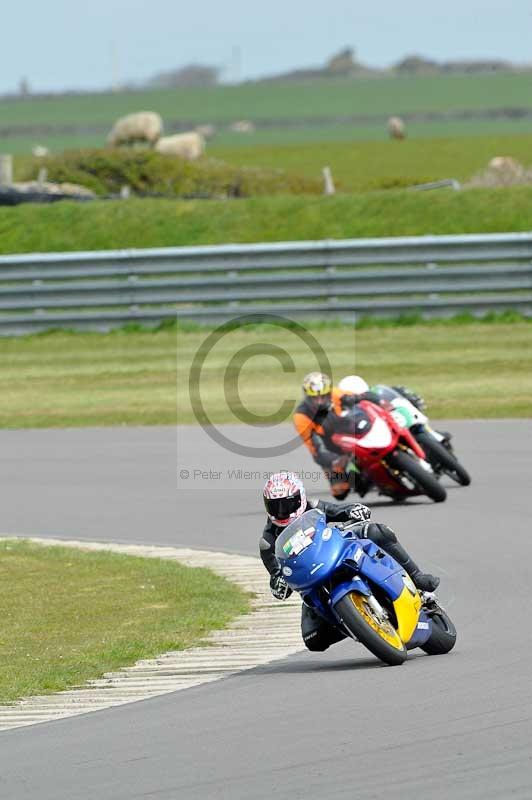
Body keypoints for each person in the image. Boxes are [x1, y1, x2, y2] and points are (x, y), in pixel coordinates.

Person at [260, 471, 440, 652]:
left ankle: (417, 578)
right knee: (314, 640)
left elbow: (337, 511)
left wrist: (352, 509)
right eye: (274, 506)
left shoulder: (312, 506)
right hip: (312, 581)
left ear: (300, 498)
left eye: (287, 503)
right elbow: (276, 575)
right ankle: (355, 623)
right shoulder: (268, 542)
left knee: (376, 531)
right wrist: (278, 583)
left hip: (335, 551)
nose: (281, 511)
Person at [292, 372, 352, 500]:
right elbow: (315, 450)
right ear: (307, 396)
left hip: (354, 435)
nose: (319, 401)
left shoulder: (338, 394)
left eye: (323, 397)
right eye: (315, 398)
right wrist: (335, 460)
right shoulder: (301, 416)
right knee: (339, 491)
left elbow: (361, 400)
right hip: (331, 450)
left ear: (329, 393)